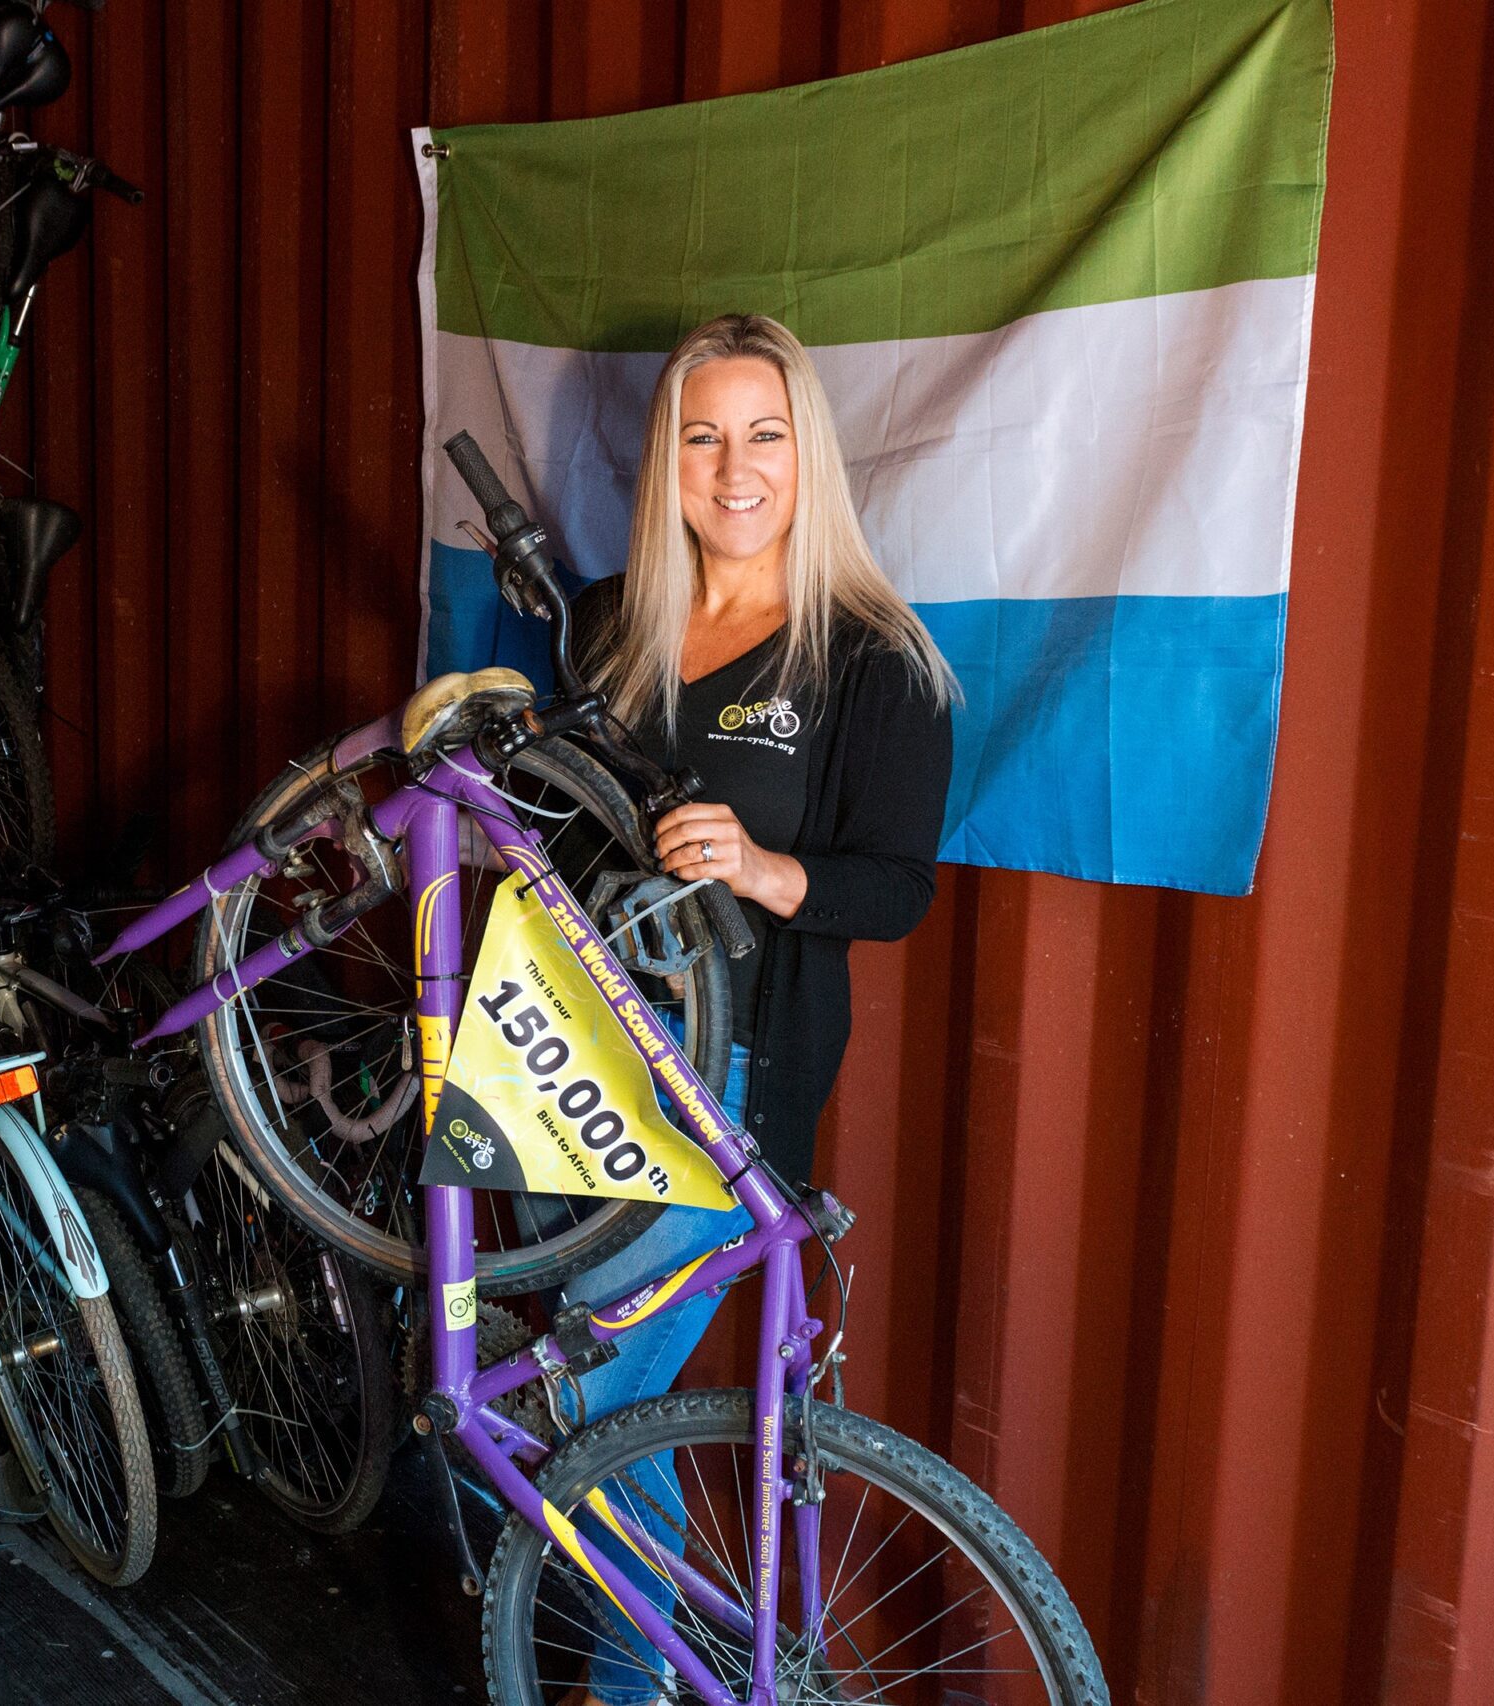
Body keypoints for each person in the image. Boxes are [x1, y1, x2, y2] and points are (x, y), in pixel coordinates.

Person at [557, 312, 954, 1705]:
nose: (736, 468)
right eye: (704, 435)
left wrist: (768, 865)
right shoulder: (612, 623)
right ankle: (648, 1664)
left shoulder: (872, 657)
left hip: (735, 1067)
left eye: (766, 434)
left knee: (591, 1389)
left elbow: (896, 886)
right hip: (579, 1049)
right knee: (611, 1399)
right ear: (667, 457)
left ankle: (628, 1682)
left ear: (810, 456)